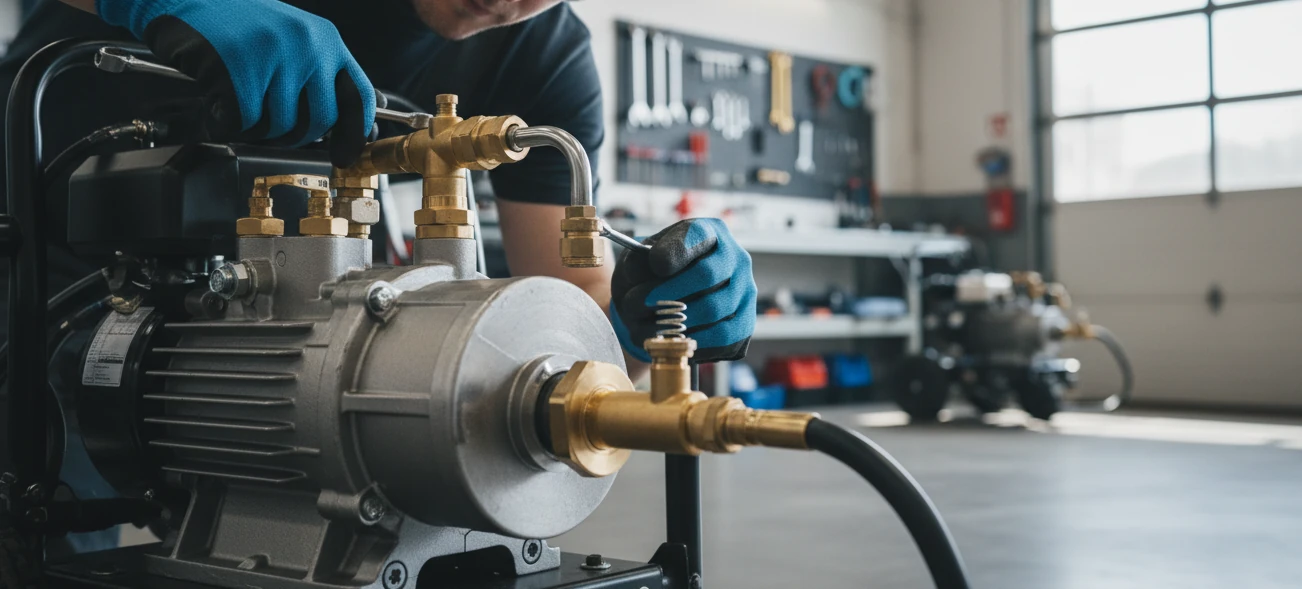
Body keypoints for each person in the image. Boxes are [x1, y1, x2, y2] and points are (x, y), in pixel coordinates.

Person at [0, 0, 758, 368]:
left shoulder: (548, 61)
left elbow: (570, 298)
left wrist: (648, 317)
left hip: (251, 327)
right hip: (40, 272)